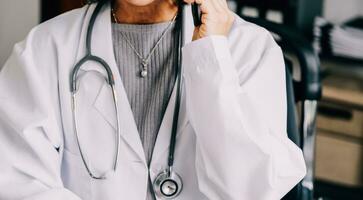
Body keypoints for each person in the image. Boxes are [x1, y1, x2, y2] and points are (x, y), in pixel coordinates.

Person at [0, 0, 306, 199]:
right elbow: (17, 183)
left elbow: (250, 191)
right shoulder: (43, 50)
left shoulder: (248, 49)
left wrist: (212, 58)